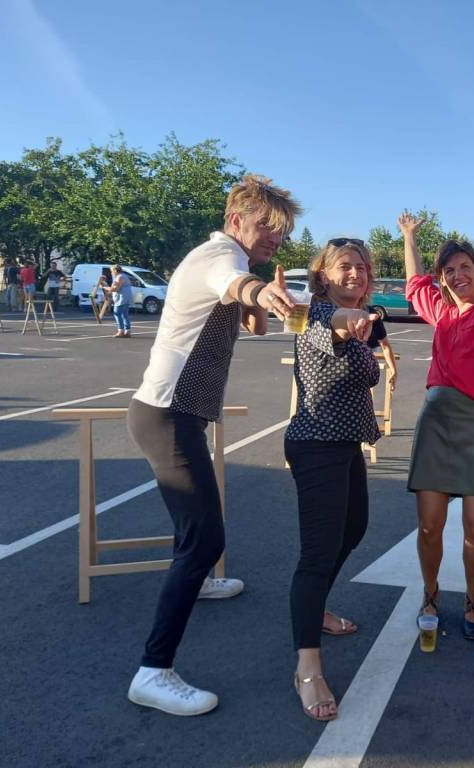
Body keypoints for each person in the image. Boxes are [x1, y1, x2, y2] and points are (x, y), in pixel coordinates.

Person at [125, 174, 301, 717]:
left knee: (195, 527)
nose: (275, 237)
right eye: (266, 226)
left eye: (281, 230)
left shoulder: (234, 260)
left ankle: (196, 582)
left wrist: (261, 296)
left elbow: (254, 321)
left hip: (177, 414)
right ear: (235, 221)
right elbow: (236, 285)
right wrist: (258, 291)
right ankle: (153, 671)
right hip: (168, 415)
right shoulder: (218, 257)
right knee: (205, 538)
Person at [398, 212, 474, 642]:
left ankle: (472, 600)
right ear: (443, 279)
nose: (458, 275)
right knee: (429, 524)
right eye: (449, 271)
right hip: (438, 421)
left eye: (465, 267)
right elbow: (414, 283)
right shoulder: (440, 312)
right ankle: (430, 595)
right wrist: (408, 236)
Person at [285, 238, 380, 722]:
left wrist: (361, 322)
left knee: (353, 529)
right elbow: (333, 325)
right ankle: (307, 668)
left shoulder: (358, 319)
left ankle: (316, 606)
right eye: (345, 266)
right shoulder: (316, 314)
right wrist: (351, 321)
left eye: (361, 267)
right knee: (317, 554)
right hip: (316, 445)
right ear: (323, 275)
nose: (355, 274)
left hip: (343, 445)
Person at [365, 314, 397, 393]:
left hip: (370, 348)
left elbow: (385, 346)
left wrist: (393, 371)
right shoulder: (340, 312)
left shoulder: (373, 315)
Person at [106, 265, 134, 338]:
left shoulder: (120, 277)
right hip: (126, 297)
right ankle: (127, 331)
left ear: (115, 270)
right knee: (125, 314)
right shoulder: (123, 276)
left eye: (112, 271)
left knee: (117, 313)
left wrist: (105, 287)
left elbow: (116, 289)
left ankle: (121, 331)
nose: (111, 273)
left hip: (122, 298)